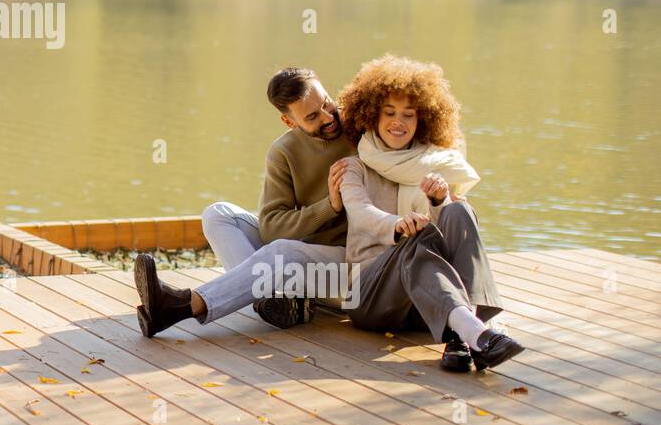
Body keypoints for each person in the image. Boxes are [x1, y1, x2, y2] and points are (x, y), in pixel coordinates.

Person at [336, 54, 523, 372]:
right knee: (414, 240)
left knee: (458, 211)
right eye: (390, 112)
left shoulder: (436, 164)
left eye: (409, 115)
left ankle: (461, 338)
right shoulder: (353, 167)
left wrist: (439, 201)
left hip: (424, 305)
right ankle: (475, 332)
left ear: (422, 119)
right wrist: (398, 224)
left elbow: (449, 238)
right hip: (371, 299)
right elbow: (361, 213)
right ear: (370, 115)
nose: (399, 122)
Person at [135, 67, 354, 337]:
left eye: (326, 103)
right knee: (217, 215)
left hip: (345, 273)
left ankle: (180, 306)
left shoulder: (360, 128)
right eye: (312, 116)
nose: (328, 117)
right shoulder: (283, 151)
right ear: (289, 121)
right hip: (301, 265)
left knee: (283, 252)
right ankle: (272, 302)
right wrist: (328, 207)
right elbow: (271, 227)